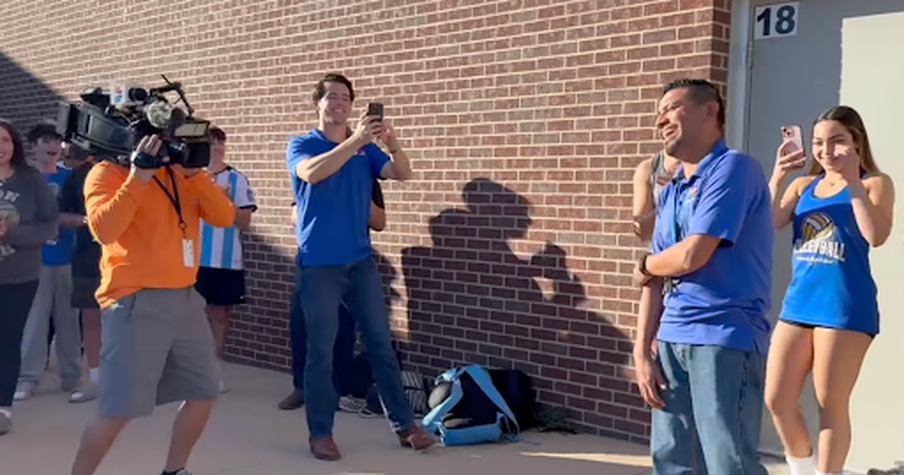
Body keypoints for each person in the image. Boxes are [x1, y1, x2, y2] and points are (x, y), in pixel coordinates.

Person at [70, 132, 235, 475]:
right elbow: (104, 230)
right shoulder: (106, 172)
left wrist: (196, 175)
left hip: (187, 298)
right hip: (135, 301)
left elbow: (223, 216)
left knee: (203, 392)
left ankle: (175, 471)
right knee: (119, 409)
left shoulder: (184, 173)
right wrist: (138, 177)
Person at [632, 78, 773, 475]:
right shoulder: (673, 188)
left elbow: (693, 254)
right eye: (658, 113)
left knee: (729, 463)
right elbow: (656, 278)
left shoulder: (734, 169)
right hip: (672, 340)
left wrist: (645, 264)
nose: (660, 120)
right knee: (673, 460)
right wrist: (642, 352)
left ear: (710, 111)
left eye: (672, 108)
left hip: (724, 336)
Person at [287, 72, 432, 460]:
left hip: (360, 262)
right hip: (319, 265)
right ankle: (321, 433)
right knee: (322, 350)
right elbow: (312, 173)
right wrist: (356, 140)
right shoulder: (302, 144)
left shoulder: (366, 150)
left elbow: (402, 173)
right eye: (331, 96)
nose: (339, 103)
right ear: (317, 103)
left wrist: (390, 142)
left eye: (345, 98)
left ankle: (406, 426)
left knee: (381, 345)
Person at [765, 106, 895, 475]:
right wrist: (778, 176)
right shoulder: (803, 185)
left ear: (856, 142)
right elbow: (770, 222)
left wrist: (853, 181)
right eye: (819, 142)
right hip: (798, 304)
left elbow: (876, 235)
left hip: (844, 307)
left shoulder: (875, 183)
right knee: (777, 398)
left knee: (829, 402)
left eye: (837, 140)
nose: (826, 150)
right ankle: (803, 469)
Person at [278, 179, 385, 410]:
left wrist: (356, 195)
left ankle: (335, 389)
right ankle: (301, 388)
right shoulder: (315, 171)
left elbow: (379, 222)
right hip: (313, 261)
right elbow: (295, 215)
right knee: (301, 322)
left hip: (348, 263)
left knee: (341, 326)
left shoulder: (365, 177)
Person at [15, 123, 82, 401]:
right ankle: (28, 379)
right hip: (33, 259)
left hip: (68, 259)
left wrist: (67, 221)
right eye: (46, 140)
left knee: (69, 322)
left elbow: (82, 216)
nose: (53, 146)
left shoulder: (71, 177)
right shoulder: (24, 178)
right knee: (34, 321)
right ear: (34, 145)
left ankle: (71, 379)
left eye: (57, 140)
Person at [0, 120, 59, 435]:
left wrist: (11, 233)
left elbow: (49, 225)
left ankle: (2, 409)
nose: (0, 146)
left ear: (14, 144)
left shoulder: (31, 181)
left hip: (18, 278)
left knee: (7, 342)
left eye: (5, 140)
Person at [195, 127, 256, 393]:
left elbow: (245, 222)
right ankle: (190, 370)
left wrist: (224, 201)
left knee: (219, 317)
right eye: (211, 143)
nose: (217, 148)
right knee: (190, 316)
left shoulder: (237, 179)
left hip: (225, 261)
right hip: (192, 260)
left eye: (221, 143)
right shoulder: (191, 177)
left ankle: (214, 370)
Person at [60, 151, 102, 403]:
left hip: (129, 259)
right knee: (90, 317)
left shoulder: (133, 168)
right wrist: (88, 220)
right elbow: (60, 216)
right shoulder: (78, 176)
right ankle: (96, 381)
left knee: (130, 319)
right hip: (88, 256)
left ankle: (131, 380)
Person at [631, 149, 679, 360]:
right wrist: (669, 196)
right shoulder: (649, 169)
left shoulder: (708, 163)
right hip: (659, 275)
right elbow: (641, 230)